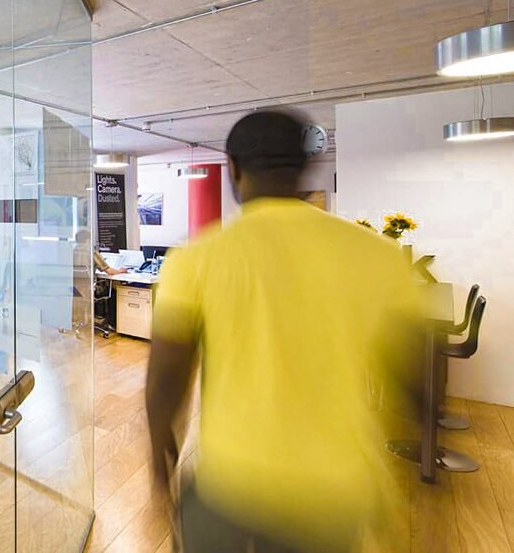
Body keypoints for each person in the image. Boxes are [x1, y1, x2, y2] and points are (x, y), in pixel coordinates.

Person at [145, 111, 422, 553]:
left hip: (230, 483)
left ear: (233, 168)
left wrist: (161, 456)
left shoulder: (198, 258)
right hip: (336, 490)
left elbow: (167, 376)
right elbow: (415, 377)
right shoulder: (381, 256)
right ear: (307, 166)